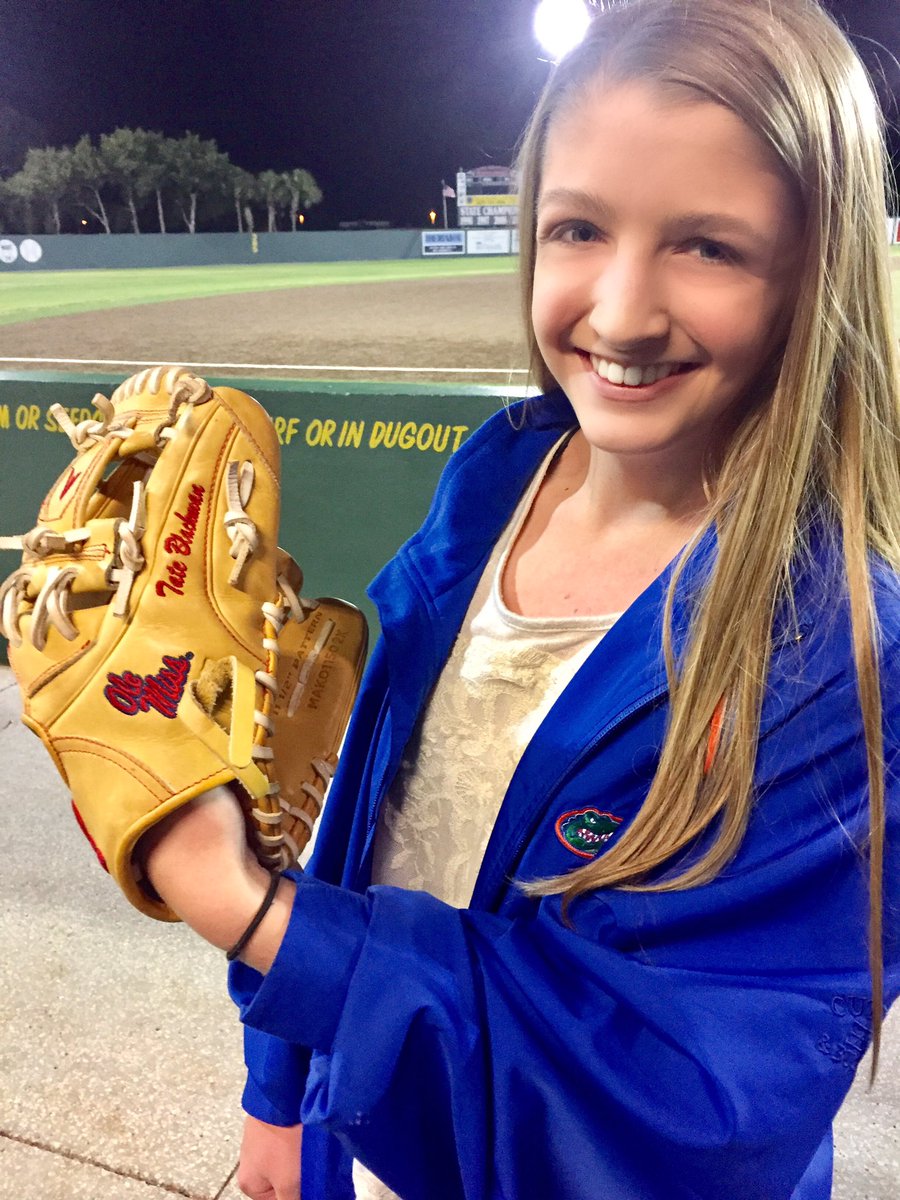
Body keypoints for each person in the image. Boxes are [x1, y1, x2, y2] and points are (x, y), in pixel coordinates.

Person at [140, 1, 900, 1197]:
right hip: (366, 1127)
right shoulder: (498, 477)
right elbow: (357, 828)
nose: (620, 311)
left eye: (708, 246)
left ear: (818, 269)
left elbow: (682, 1113)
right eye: (580, 228)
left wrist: (251, 917)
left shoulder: (839, 650)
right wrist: (280, 1087)